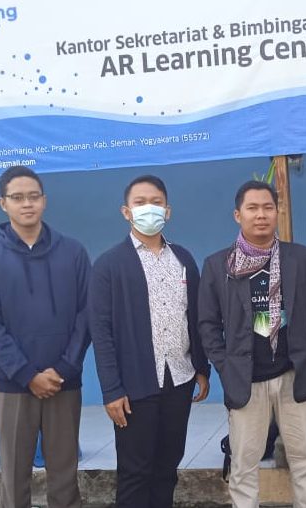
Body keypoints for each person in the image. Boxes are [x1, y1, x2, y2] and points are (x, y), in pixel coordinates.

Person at [198, 180, 306, 508]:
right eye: (252, 208)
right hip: (246, 379)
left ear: (277, 211)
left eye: (268, 207)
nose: (261, 215)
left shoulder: (301, 259)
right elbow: (207, 324)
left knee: (305, 460)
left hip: (294, 374)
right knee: (244, 464)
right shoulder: (219, 266)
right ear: (237, 214)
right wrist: (225, 366)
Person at [0, 165, 91, 508]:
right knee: (14, 475)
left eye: (33, 196)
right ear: (2, 203)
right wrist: (27, 374)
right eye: (17, 197)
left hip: (63, 381)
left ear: (44, 201)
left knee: (65, 475)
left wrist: (66, 366)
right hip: (14, 384)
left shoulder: (74, 253)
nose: (27, 204)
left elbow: (87, 315)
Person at [88, 175, 210, 508]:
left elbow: (195, 316)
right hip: (134, 387)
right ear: (126, 212)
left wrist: (202, 368)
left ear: (167, 211)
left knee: (167, 468)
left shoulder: (183, 259)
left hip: (179, 378)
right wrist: (111, 389)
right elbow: (101, 331)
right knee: (135, 471)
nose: (149, 209)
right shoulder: (109, 265)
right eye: (140, 203)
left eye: (156, 202)